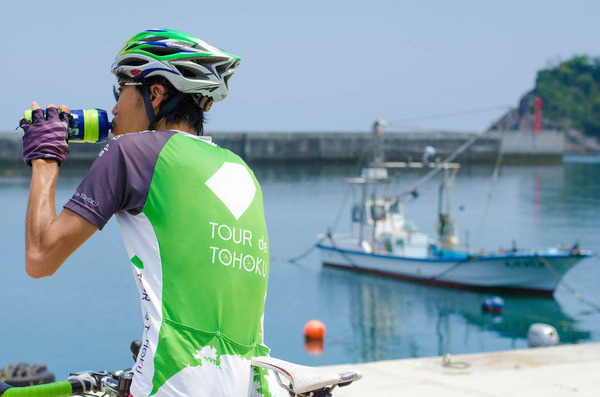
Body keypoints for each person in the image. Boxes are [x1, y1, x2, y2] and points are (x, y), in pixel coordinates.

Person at [20, 29, 276, 396]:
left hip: (173, 383)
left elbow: (40, 258)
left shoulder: (131, 152)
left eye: (119, 88)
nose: (113, 108)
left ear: (154, 93)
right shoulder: (242, 171)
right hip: (252, 385)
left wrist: (45, 157)